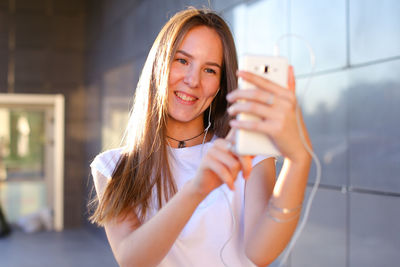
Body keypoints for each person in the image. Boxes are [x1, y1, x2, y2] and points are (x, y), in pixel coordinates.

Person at [89, 8, 311, 267]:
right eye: (182, 61)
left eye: (210, 70)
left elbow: (260, 254)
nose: (193, 80)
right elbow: (132, 260)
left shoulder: (248, 152)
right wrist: (198, 188)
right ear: (159, 64)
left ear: (220, 85)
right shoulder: (114, 167)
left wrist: (299, 160)